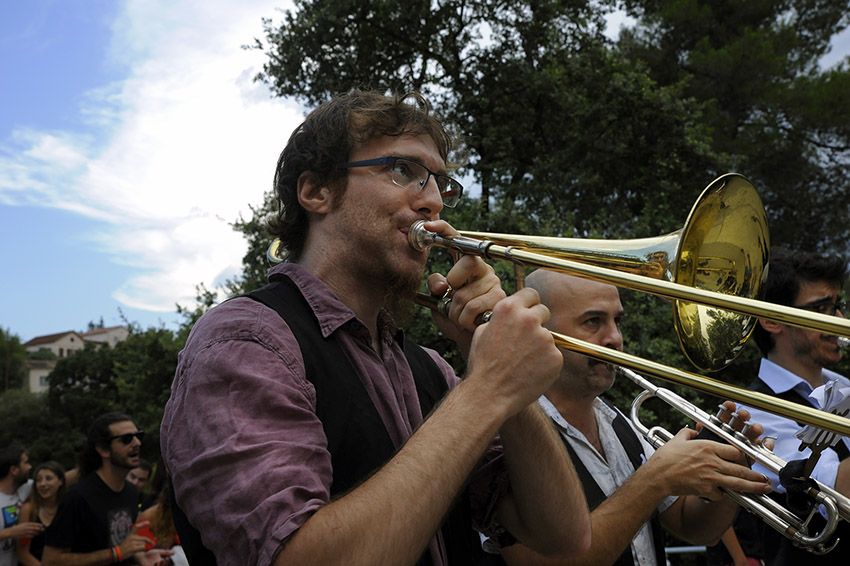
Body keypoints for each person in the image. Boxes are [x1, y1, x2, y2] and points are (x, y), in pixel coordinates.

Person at [161, 90, 592, 565]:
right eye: (402, 170)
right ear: (317, 192)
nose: (433, 202)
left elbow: (562, 538)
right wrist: (488, 388)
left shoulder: (429, 369)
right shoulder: (244, 341)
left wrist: (509, 385)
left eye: (441, 185)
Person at [494, 270, 773, 565]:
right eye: (593, 321)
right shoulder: (507, 434)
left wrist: (731, 474)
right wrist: (656, 478)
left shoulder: (618, 423)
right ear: (538, 329)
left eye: (618, 321)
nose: (615, 338)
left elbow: (694, 528)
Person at [744, 248, 849, 564]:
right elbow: (836, 495)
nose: (840, 320)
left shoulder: (843, 386)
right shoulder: (753, 412)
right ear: (772, 320)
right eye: (821, 308)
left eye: (838, 306)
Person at [42, 412, 170, 565]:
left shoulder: (131, 491)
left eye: (138, 436)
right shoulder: (78, 498)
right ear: (103, 450)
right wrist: (116, 553)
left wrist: (141, 556)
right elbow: (50, 561)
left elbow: (123, 545)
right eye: (127, 439)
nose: (137, 443)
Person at [16, 461, 66, 566]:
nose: (42, 484)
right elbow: (22, 553)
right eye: (38, 480)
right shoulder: (29, 510)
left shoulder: (68, 507)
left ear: (60, 481)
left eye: (48, 478)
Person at [0, 446, 40, 566]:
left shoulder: (23, 489)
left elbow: (56, 481)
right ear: (14, 470)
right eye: (26, 463)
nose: (30, 467)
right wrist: (11, 532)